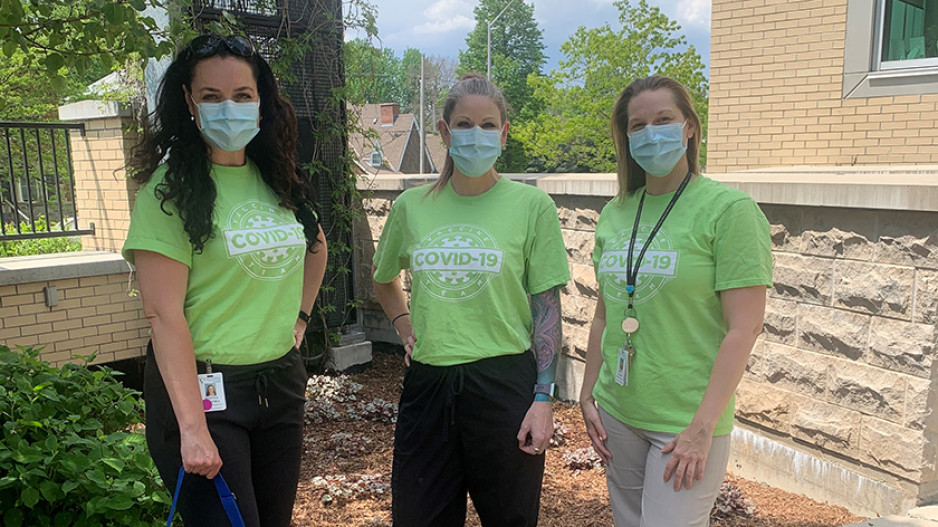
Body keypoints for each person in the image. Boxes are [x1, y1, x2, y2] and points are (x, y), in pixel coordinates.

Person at [122, 34, 327, 527]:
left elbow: (315, 247)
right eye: (212, 97)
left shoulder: (276, 179)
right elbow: (162, 314)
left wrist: (299, 319)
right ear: (190, 104)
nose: (228, 108)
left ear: (261, 103)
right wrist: (192, 429)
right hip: (203, 395)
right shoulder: (167, 194)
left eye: (241, 95)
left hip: (278, 385)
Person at [372, 74, 570, 526]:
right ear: (443, 133)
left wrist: (544, 397)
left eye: (487, 125)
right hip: (428, 385)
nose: (475, 135)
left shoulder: (531, 206)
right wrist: (404, 327)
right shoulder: (412, 206)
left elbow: (546, 307)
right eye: (464, 124)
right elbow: (383, 278)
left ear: (503, 133)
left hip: (505, 387)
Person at [579, 75, 772, 526]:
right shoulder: (616, 212)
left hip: (685, 419)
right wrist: (589, 394)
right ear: (625, 137)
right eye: (637, 125)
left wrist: (703, 427)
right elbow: (604, 312)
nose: (650, 133)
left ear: (689, 127)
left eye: (663, 119)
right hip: (618, 410)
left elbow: (744, 329)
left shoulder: (729, 211)